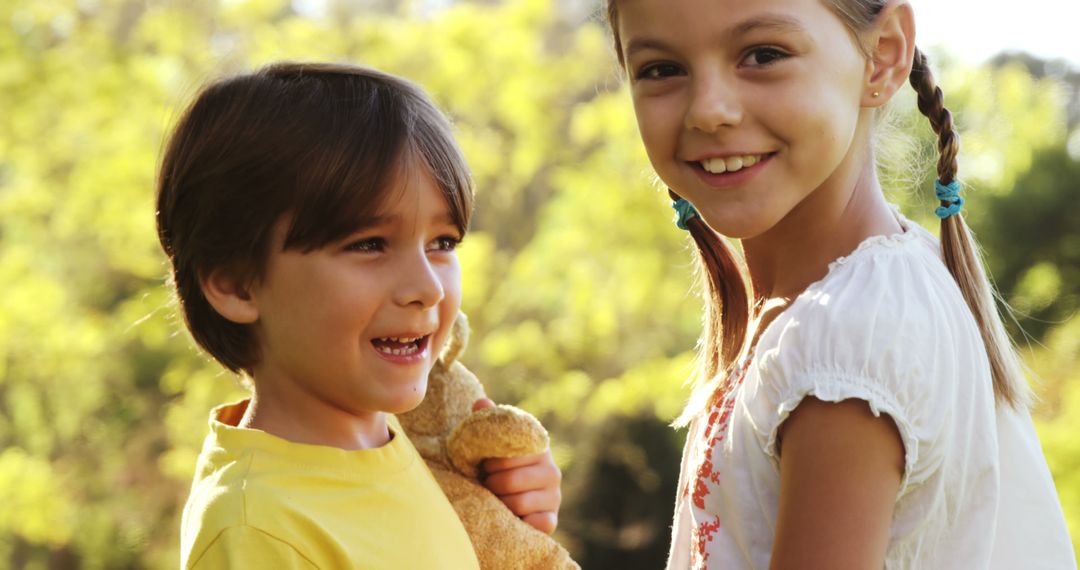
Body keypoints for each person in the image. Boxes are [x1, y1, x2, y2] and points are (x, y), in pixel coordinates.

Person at [603, 0, 1076, 568]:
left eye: (763, 55)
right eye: (661, 69)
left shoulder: (846, 341)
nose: (709, 111)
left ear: (883, 57)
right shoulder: (854, 299)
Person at [156, 62, 561, 569]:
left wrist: (505, 508)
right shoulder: (258, 530)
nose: (427, 288)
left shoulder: (410, 443)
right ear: (236, 283)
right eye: (369, 244)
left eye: (442, 243)